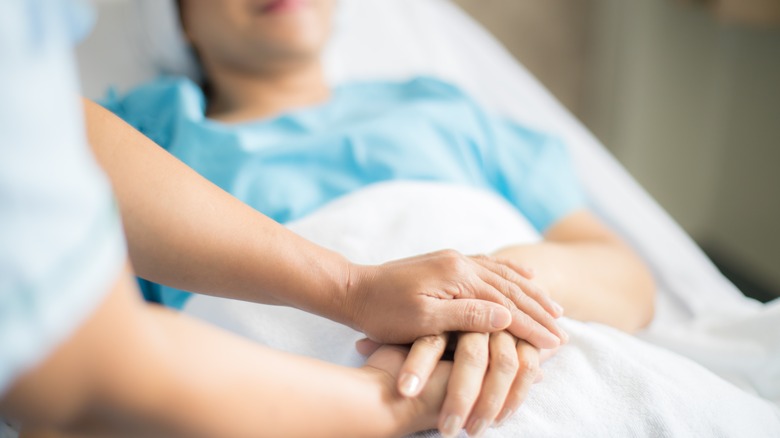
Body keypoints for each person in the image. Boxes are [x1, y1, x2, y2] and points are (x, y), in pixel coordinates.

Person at [0, 1, 566, 437]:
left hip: (542, 365)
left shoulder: (444, 107)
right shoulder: (145, 138)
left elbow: (623, 275)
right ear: (180, 19)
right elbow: (77, 375)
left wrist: (486, 297)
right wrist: (387, 377)